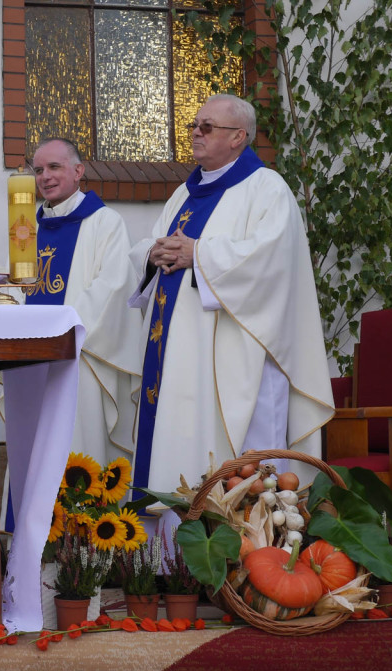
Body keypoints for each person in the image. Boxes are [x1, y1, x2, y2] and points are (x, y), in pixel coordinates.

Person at [128, 94, 334, 504]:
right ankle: (168, 555)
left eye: (207, 127)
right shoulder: (185, 195)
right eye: (194, 125)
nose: (196, 134)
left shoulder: (267, 189)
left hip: (237, 358)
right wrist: (152, 253)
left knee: (238, 460)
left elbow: (272, 261)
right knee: (176, 441)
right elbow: (156, 242)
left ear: (239, 136)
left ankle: (242, 556)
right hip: (177, 358)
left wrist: (198, 254)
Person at [23, 138, 142, 465]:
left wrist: (63, 329)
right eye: (39, 170)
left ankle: (81, 517)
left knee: (78, 452)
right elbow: (17, 285)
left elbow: (114, 285)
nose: (45, 176)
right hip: (30, 357)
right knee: (32, 451)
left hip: (80, 353)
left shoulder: (105, 222)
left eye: (54, 167)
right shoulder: (25, 229)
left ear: (78, 171)